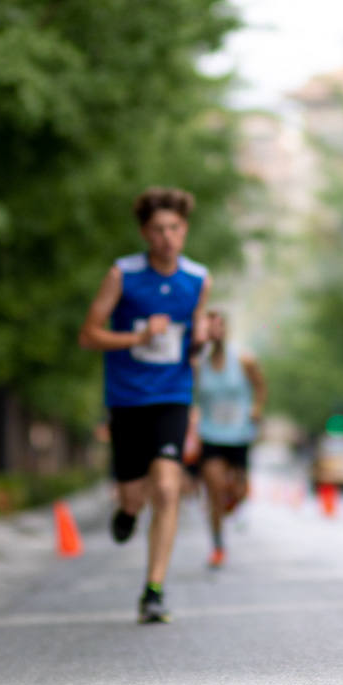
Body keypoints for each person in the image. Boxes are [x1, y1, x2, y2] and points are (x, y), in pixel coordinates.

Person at [79, 186, 211, 623]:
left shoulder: (198, 279)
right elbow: (89, 334)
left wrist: (202, 340)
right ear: (144, 233)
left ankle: (153, 589)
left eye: (174, 228)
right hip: (127, 400)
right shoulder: (123, 275)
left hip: (172, 396)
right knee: (135, 495)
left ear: (184, 230)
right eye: (158, 230)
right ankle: (127, 510)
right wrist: (137, 337)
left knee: (169, 487)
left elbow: (192, 344)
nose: (167, 237)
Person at [193, 309, 268, 569]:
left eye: (219, 325)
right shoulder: (197, 363)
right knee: (213, 488)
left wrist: (256, 408)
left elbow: (260, 386)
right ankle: (217, 545)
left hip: (239, 434)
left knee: (239, 492)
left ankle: (228, 508)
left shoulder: (244, 359)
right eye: (209, 326)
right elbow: (189, 395)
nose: (215, 331)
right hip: (210, 434)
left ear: (226, 329)